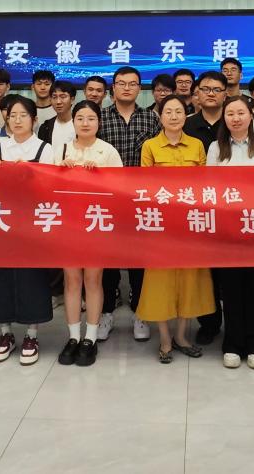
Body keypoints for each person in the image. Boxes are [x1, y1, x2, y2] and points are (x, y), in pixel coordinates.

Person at [207, 96, 254, 369]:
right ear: (224, 118)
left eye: (241, 113)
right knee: (230, 287)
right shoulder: (216, 147)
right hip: (227, 228)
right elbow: (209, 187)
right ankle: (232, 343)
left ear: (250, 116)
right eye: (230, 114)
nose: (236, 118)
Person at [138, 96, 214, 362]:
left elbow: (204, 185)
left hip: (191, 224)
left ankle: (181, 336)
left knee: (189, 280)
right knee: (160, 282)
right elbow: (145, 186)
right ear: (160, 117)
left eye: (178, 112)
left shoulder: (197, 145)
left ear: (186, 115)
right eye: (168, 112)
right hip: (161, 225)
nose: (173, 116)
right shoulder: (150, 146)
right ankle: (165, 338)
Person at [52, 100, 123, 368]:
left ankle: (90, 338)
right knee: (72, 281)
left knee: (93, 280)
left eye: (91, 118)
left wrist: (100, 176)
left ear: (99, 122)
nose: (85, 123)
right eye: (80, 118)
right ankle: (73, 337)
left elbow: (121, 190)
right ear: (73, 122)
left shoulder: (108, 151)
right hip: (68, 225)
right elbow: (47, 187)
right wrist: (60, 171)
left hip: (96, 224)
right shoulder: (61, 150)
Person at [0, 97, 55, 366]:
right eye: (12, 115)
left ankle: (31, 334)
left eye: (23, 115)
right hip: (2, 221)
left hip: (32, 223)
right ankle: (5, 333)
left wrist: (26, 174)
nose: (17, 120)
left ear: (34, 120)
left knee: (31, 277)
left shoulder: (45, 149)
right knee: (0, 277)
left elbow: (49, 187)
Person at [97, 67, 161, 341]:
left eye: (132, 84)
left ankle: (140, 311)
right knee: (107, 258)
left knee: (139, 258)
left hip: (140, 200)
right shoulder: (99, 117)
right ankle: (106, 312)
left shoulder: (151, 119)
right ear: (113, 87)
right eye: (121, 83)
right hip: (106, 199)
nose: (126, 88)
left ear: (139, 88)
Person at [182, 70, 228, 344]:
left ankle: (239, 324)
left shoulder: (236, 120)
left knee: (230, 268)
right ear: (196, 93)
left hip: (231, 209)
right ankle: (209, 324)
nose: (211, 94)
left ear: (225, 94)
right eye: (206, 89)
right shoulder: (186, 125)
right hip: (195, 209)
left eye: (217, 89)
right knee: (203, 270)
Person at [37, 80, 77, 153]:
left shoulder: (81, 124)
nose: (58, 102)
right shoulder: (45, 127)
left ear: (72, 99)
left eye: (63, 97)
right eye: (54, 97)